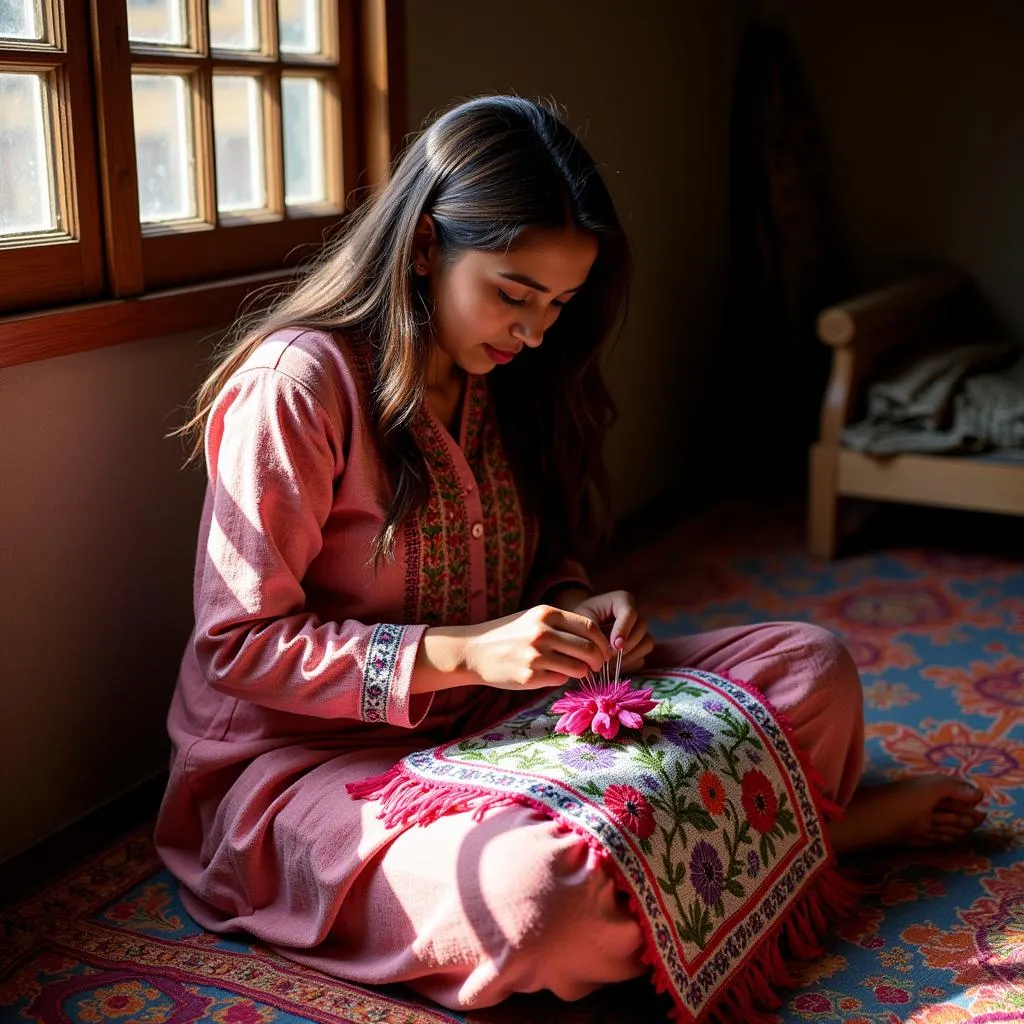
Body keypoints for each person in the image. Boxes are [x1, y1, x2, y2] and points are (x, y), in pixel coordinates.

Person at [155, 95, 986, 1012]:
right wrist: (462, 652)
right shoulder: (299, 386)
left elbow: (536, 563)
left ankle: (714, 861)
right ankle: (806, 840)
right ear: (426, 246)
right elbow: (235, 647)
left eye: (559, 303)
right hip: (314, 769)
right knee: (534, 896)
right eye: (514, 293)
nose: (536, 331)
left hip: (503, 719)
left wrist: (581, 602)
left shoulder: (508, 375)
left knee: (809, 664)